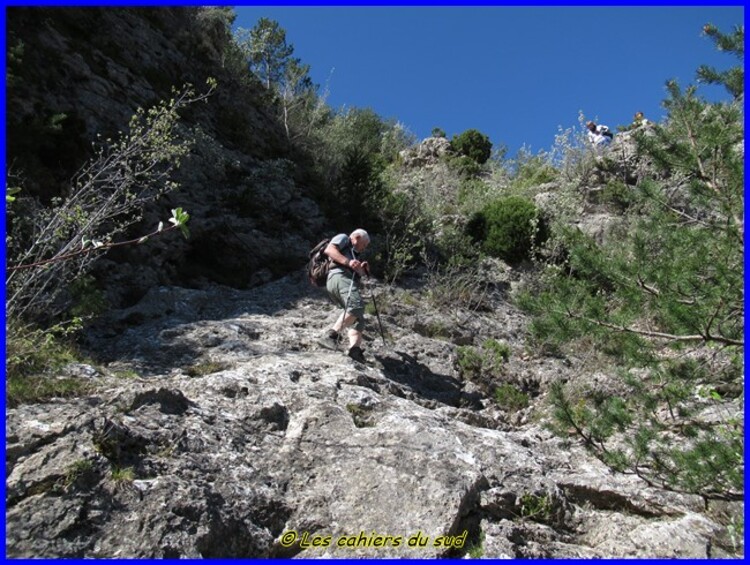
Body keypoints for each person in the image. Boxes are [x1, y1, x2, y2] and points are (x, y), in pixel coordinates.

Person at [317, 229, 371, 363]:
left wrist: (362, 270)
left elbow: (356, 271)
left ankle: (355, 350)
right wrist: (348, 262)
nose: (364, 248)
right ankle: (331, 336)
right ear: (357, 238)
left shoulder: (354, 254)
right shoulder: (343, 238)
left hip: (342, 280)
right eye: (364, 244)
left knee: (358, 318)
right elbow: (329, 250)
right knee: (356, 306)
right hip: (339, 277)